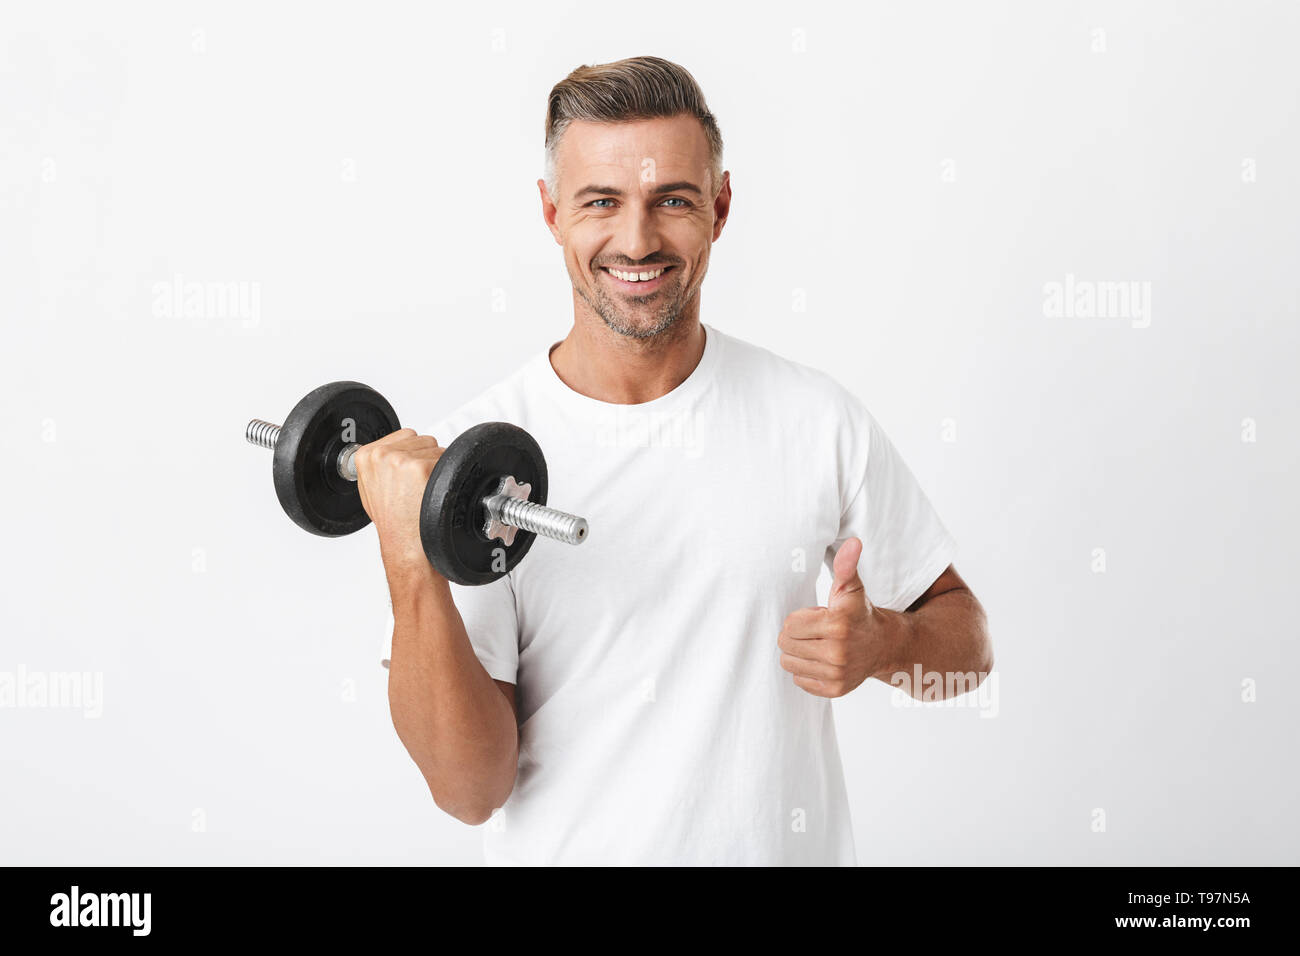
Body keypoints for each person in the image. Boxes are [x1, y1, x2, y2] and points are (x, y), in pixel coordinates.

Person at [360, 55, 992, 865]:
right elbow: (467, 791)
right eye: (601, 202)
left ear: (720, 207)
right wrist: (411, 557)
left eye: (673, 201)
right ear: (551, 212)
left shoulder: (816, 419)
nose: (637, 240)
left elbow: (970, 645)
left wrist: (888, 645)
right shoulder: (465, 462)